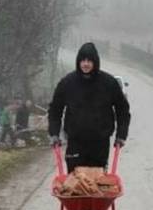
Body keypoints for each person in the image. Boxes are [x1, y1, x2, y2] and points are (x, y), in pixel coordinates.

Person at [48, 42, 131, 173]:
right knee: (75, 182)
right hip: (75, 141)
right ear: (78, 61)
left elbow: (123, 110)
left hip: (99, 143)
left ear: (95, 62)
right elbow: (55, 110)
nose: (85, 64)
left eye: (89, 60)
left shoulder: (108, 83)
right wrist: (54, 133)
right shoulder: (67, 83)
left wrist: (121, 134)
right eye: (82, 60)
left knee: (97, 184)